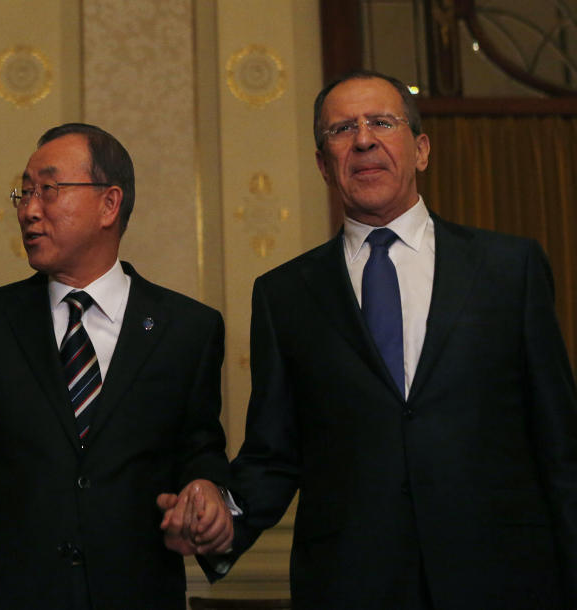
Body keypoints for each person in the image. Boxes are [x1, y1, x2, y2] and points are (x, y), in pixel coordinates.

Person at [211, 70, 577, 608]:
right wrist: (220, 521)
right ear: (322, 165)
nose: (363, 139)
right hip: (352, 583)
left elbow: (559, 442)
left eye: (382, 122)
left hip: (503, 579)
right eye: (341, 130)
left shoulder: (508, 268)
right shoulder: (284, 294)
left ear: (421, 149)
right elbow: (274, 453)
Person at [0, 123, 232, 609]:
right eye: (24, 192)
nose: (28, 209)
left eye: (48, 190)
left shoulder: (188, 329)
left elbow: (200, 446)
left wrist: (204, 490)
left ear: (109, 204)